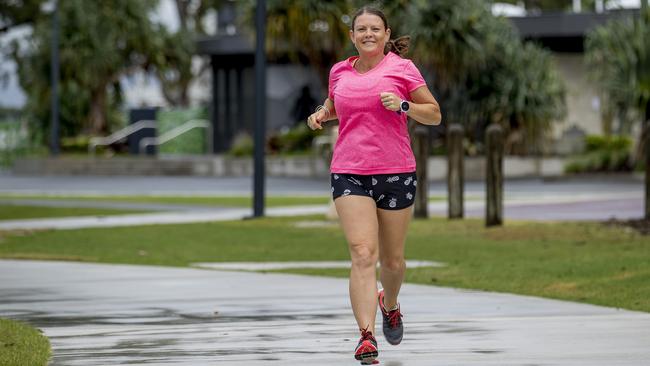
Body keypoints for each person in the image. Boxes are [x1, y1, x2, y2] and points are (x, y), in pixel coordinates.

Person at [307, 5, 442, 365]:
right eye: (361, 29)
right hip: (349, 170)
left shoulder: (402, 69)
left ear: (386, 35)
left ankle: (390, 303)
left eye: (374, 29)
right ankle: (366, 336)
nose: (368, 34)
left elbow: (433, 113)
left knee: (393, 261)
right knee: (363, 253)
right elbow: (339, 105)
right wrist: (322, 113)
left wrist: (402, 105)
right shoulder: (339, 71)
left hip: (396, 171)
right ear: (352, 36)